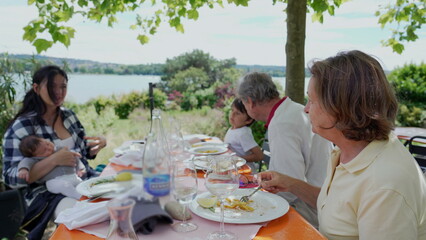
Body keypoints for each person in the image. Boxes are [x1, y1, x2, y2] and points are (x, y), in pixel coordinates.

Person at [256, 50, 426, 239]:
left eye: (312, 101)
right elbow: (338, 207)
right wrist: (291, 184)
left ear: (340, 108)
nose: (306, 109)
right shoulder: (347, 152)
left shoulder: (386, 184)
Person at [2, 65, 107, 240]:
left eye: (63, 86)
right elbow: (10, 178)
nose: (58, 92)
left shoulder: (69, 116)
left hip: (83, 179)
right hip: (49, 192)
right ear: (36, 88)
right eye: (52, 86)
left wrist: (99, 144)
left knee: (120, 199)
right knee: (79, 219)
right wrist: (54, 160)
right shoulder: (22, 126)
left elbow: (83, 153)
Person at [237, 71, 333, 227]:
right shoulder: (294, 109)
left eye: (243, 103)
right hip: (323, 200)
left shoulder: (281, 124)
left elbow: (288, 190)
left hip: (310, 211)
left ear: (250, 102)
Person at [18, 135, 84, 200]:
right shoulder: (35, 160)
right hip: (54, 180)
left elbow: (73, 156)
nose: (49, 148)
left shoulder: (59, 149)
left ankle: (87, 195)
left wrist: (80, 168)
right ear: (35, 156)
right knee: (64, 186)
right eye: (44, 151)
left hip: (72, 176)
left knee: (82, 184)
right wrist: (23, 169)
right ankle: (80, 197)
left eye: (47, 144)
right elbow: (25, 162)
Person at [224, 98, 263, 172]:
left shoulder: (243, 133)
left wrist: (238, 159)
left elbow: (259, 155)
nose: (232, 114)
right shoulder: (233, 128)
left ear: (248, 120)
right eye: (232, 110)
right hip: (234, 169)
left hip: (245, 172)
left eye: (237, 113)